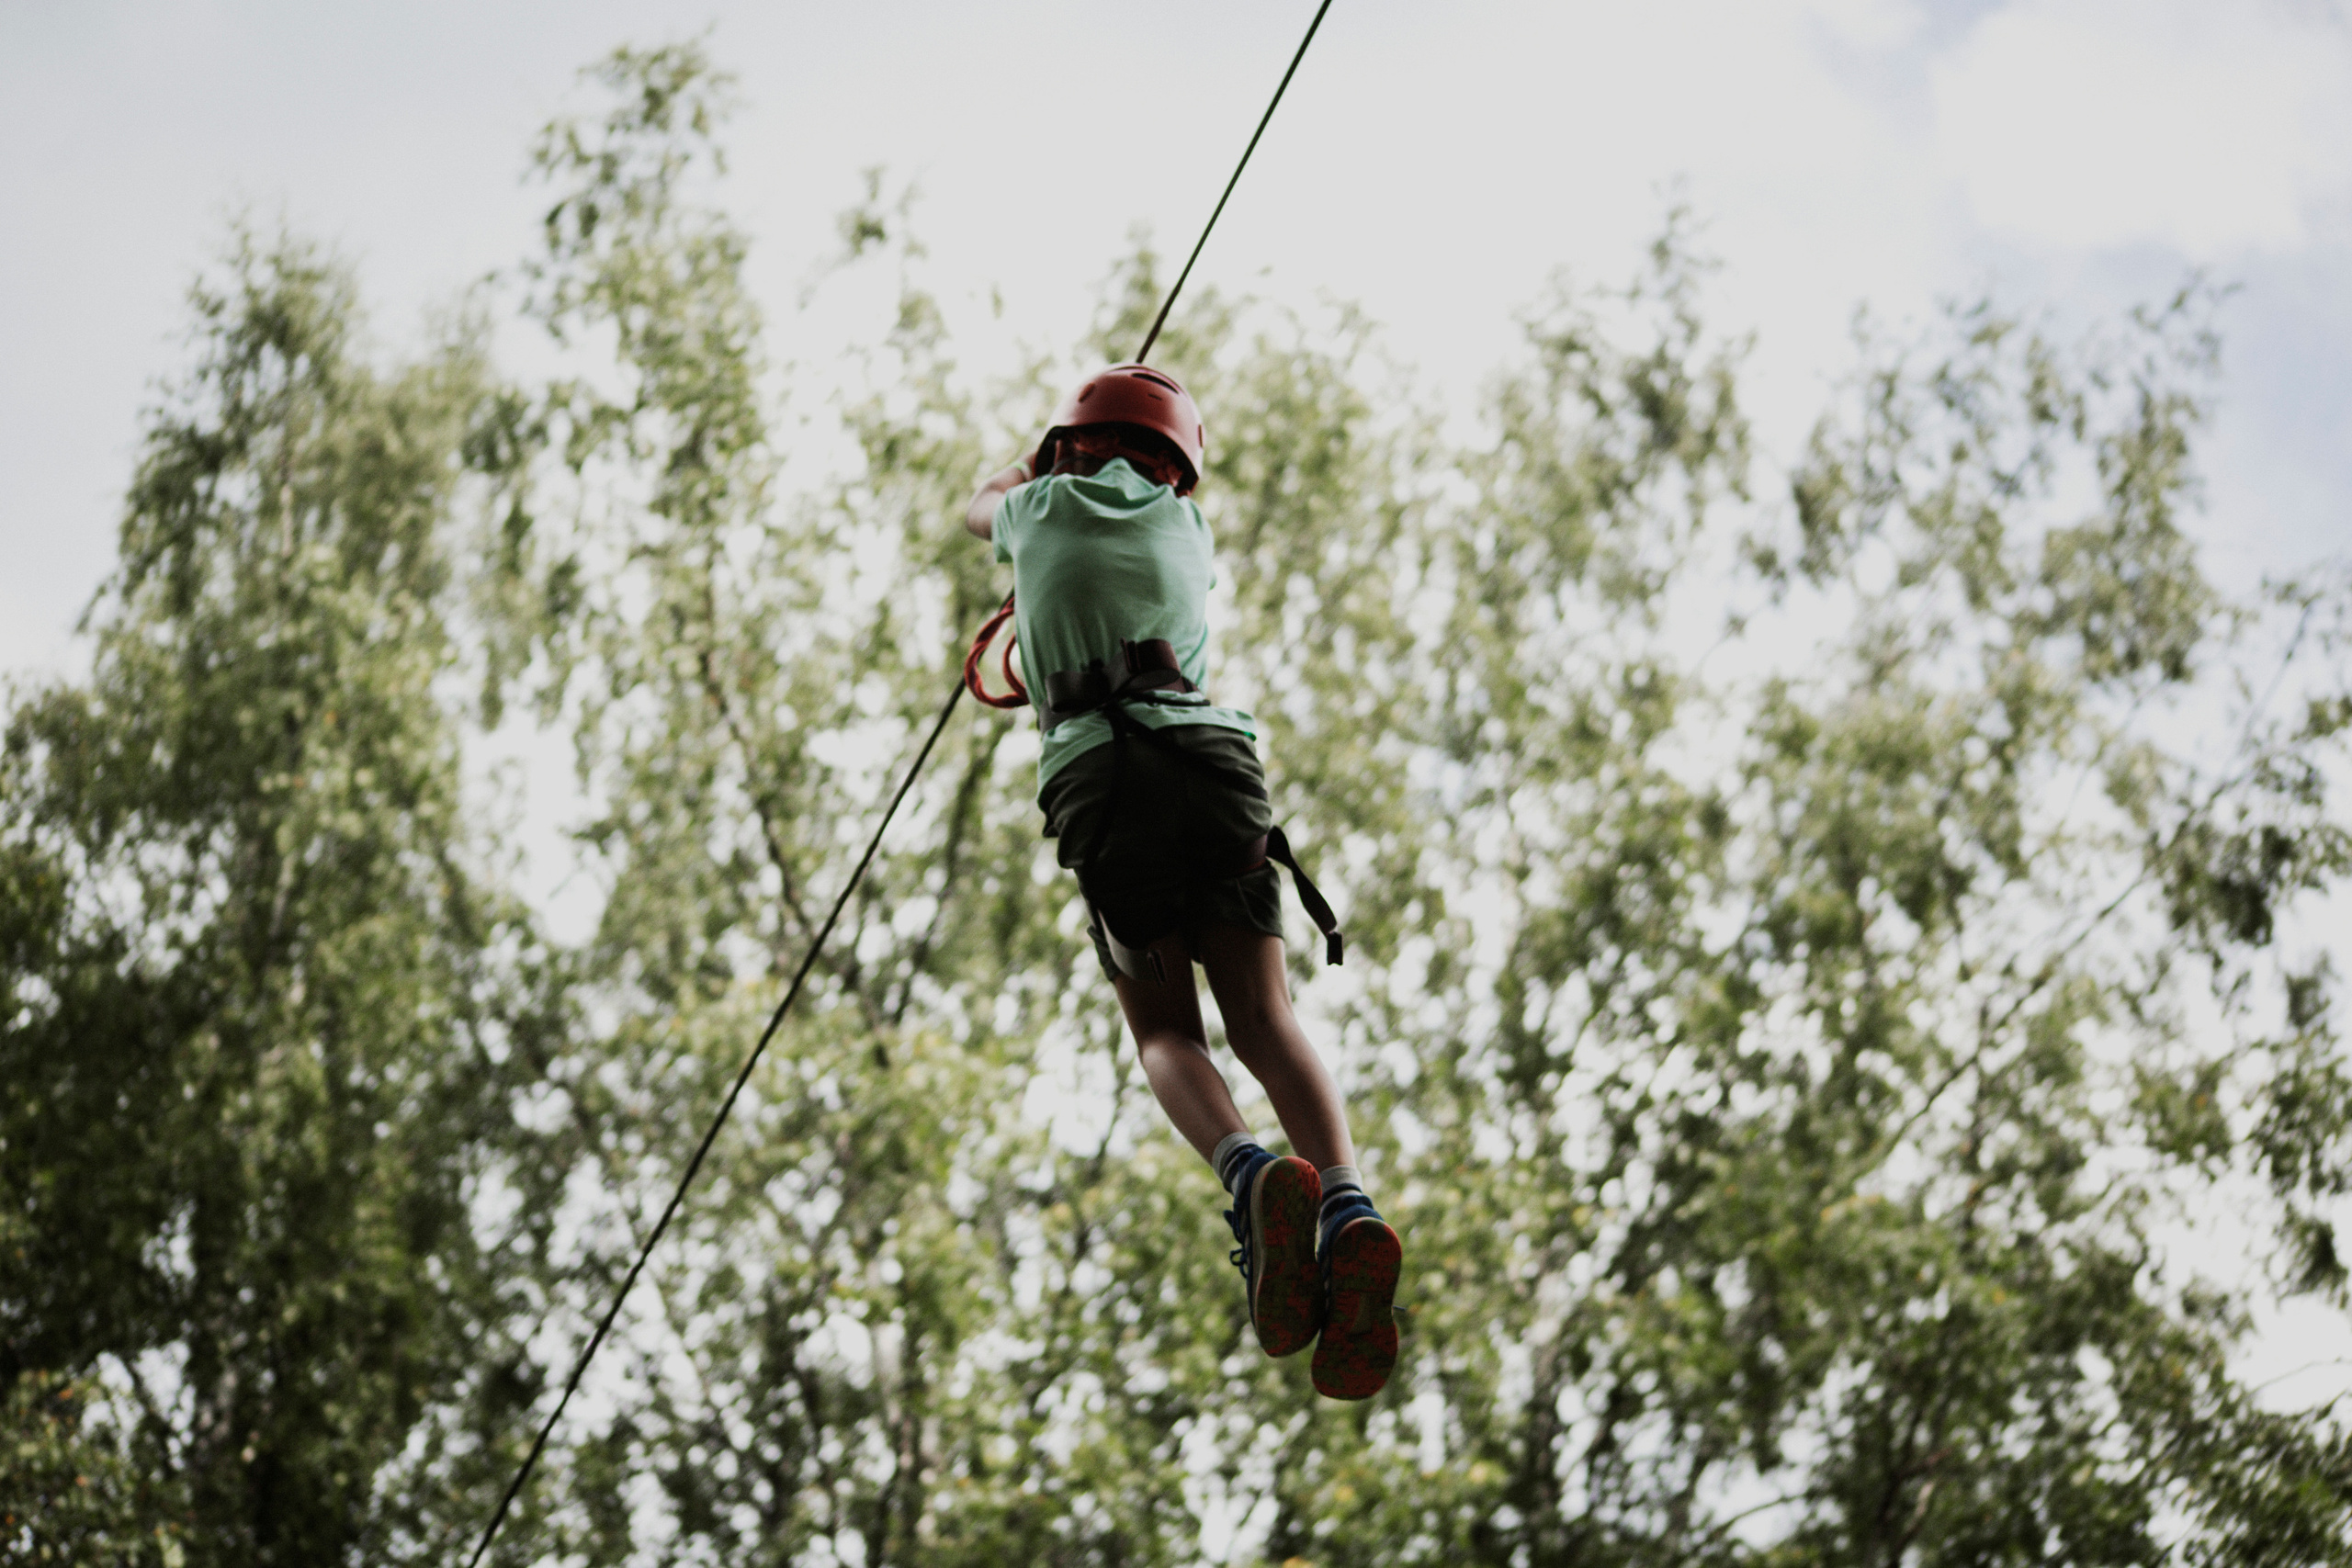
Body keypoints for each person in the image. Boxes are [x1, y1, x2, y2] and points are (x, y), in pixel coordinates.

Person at [963, 364, 1400, 1401]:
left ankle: (1251, 1176)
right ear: (1177, 470)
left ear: (1066, 448)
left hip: (1102, 779)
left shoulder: (1034, 506)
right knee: (1263, 1013)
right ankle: (1345, 1201)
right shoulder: (1186, 530)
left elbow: (972, 506)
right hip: (1211, 764)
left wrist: (1030, 463)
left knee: (1167, 1032)